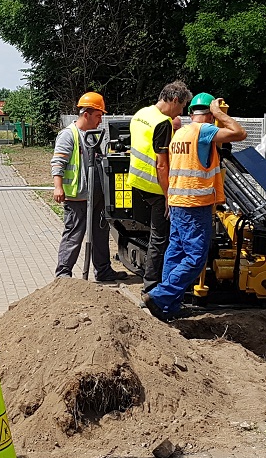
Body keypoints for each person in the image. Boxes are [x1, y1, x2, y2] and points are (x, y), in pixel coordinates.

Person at [143, 93, 247, 319]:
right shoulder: (204, 131)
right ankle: (159, 296)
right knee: (195, 258)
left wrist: (170, 198)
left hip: (178, 201)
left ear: (191, 113)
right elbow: (240, 133)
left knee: (175, 253)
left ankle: (168, 308)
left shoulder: (180, 133)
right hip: (195, 205)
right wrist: (221, 114)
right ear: (209, 114)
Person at [51, 91, 122, 281]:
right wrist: (58, 187)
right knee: (74, 234)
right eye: (98, 115)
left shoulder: (92, 135)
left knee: (100, 234)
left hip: (96, 195)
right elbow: (58, 163)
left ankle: (103, 271)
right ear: (86, 114)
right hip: (78, 196)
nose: (100, 120)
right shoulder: (69, 135)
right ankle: (63, 274)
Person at [128, 80, 191, 291]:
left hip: (137, 182)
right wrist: (169, 197)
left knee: (152, 235)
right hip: (156, 188)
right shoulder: (162, 123)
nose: (182, 111)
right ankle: (151, 286)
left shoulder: (141, 114)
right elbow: (162, 165)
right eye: (182, 106)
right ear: (174, 100)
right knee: (159, 239)